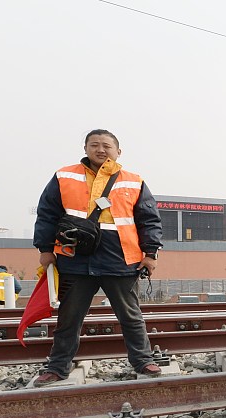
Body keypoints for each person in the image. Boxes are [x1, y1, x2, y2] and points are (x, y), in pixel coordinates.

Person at [31, 129, 163, 385]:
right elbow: (47, 214)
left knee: (130, 315)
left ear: (118, 151)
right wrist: (45, 249)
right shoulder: (64, 176)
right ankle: (58, 367)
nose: (100, 150)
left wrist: (150, 253)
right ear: (85, 148)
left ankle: (144, 361)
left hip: (121, 258)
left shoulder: (133, 181)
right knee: (68, 318)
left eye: (106, 146)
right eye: (94, 145)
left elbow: (149, 220)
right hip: (75, 258)